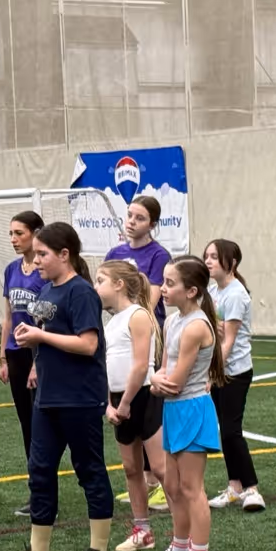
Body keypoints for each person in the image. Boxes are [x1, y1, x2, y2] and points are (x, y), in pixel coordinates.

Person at [0, 222, 117, 551]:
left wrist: (40, 335)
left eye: (44, 254)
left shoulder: (81, 292)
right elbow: (50, 338)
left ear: (65, 255)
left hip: (79, 397)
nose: (37, 259)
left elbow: (88, 344)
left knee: (89, 471)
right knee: (40, 470)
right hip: (48, 394)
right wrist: (33, 351)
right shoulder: (46, 289)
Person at [148, 257, 226, 551]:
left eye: (170, 283)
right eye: (163, 282)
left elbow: (174, 382)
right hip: (175, 410)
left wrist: (156, 381)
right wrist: (156, 380)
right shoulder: (172, 321)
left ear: (191, 290)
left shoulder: (196, 326)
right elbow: (162, 372)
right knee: (173, 486)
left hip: (192, 408)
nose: (163, 289)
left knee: (193, 489)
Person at [95, 259, 166, 551]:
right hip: (118, 400)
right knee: (131, 468)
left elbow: (140, 366)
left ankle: (183, 537)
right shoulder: (111, 321)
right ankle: (142, 530)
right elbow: (103, 365)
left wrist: (124, 404)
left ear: (119, 284)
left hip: (143, 397)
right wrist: (108, 405)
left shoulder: (138, 315)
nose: (96, 286)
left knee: (161, 469)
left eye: (100, 280)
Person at [105, 194, 171, 510]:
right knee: (129, 447)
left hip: (143, 336)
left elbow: (152, 299)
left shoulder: (158, 255)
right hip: (120, 335)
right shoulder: (115, 253)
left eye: (139, 218)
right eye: (130, 215)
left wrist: (130, 316)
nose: (131, 222)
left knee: (143, 401)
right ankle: (145, 485)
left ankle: (158, 481)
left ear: (152, 224)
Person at [204, 238, 264, 513]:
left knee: (231, 430)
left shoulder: (236, 294)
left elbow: (227, 341)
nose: (208, 261)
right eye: (207, 256)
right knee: (225, 432)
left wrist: (213, 373)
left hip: (234, 372)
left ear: (232, 262)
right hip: (220, 370)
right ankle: (234, 487)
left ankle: (252, 490)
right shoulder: (214, 291)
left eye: (214, 257)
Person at [0, 210, 47, 516]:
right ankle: (37, 491)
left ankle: (44, 491)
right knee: (26, 425)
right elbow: (7, 316)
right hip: (16, 354)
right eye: (12, 234)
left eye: (20, 233)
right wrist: (4, 355)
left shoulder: (44, 270)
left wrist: (35, 363)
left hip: (38, 352)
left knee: (42, 425)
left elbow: (46, 320)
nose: (15, 239)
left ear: (36, 232)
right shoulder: (11, 269)